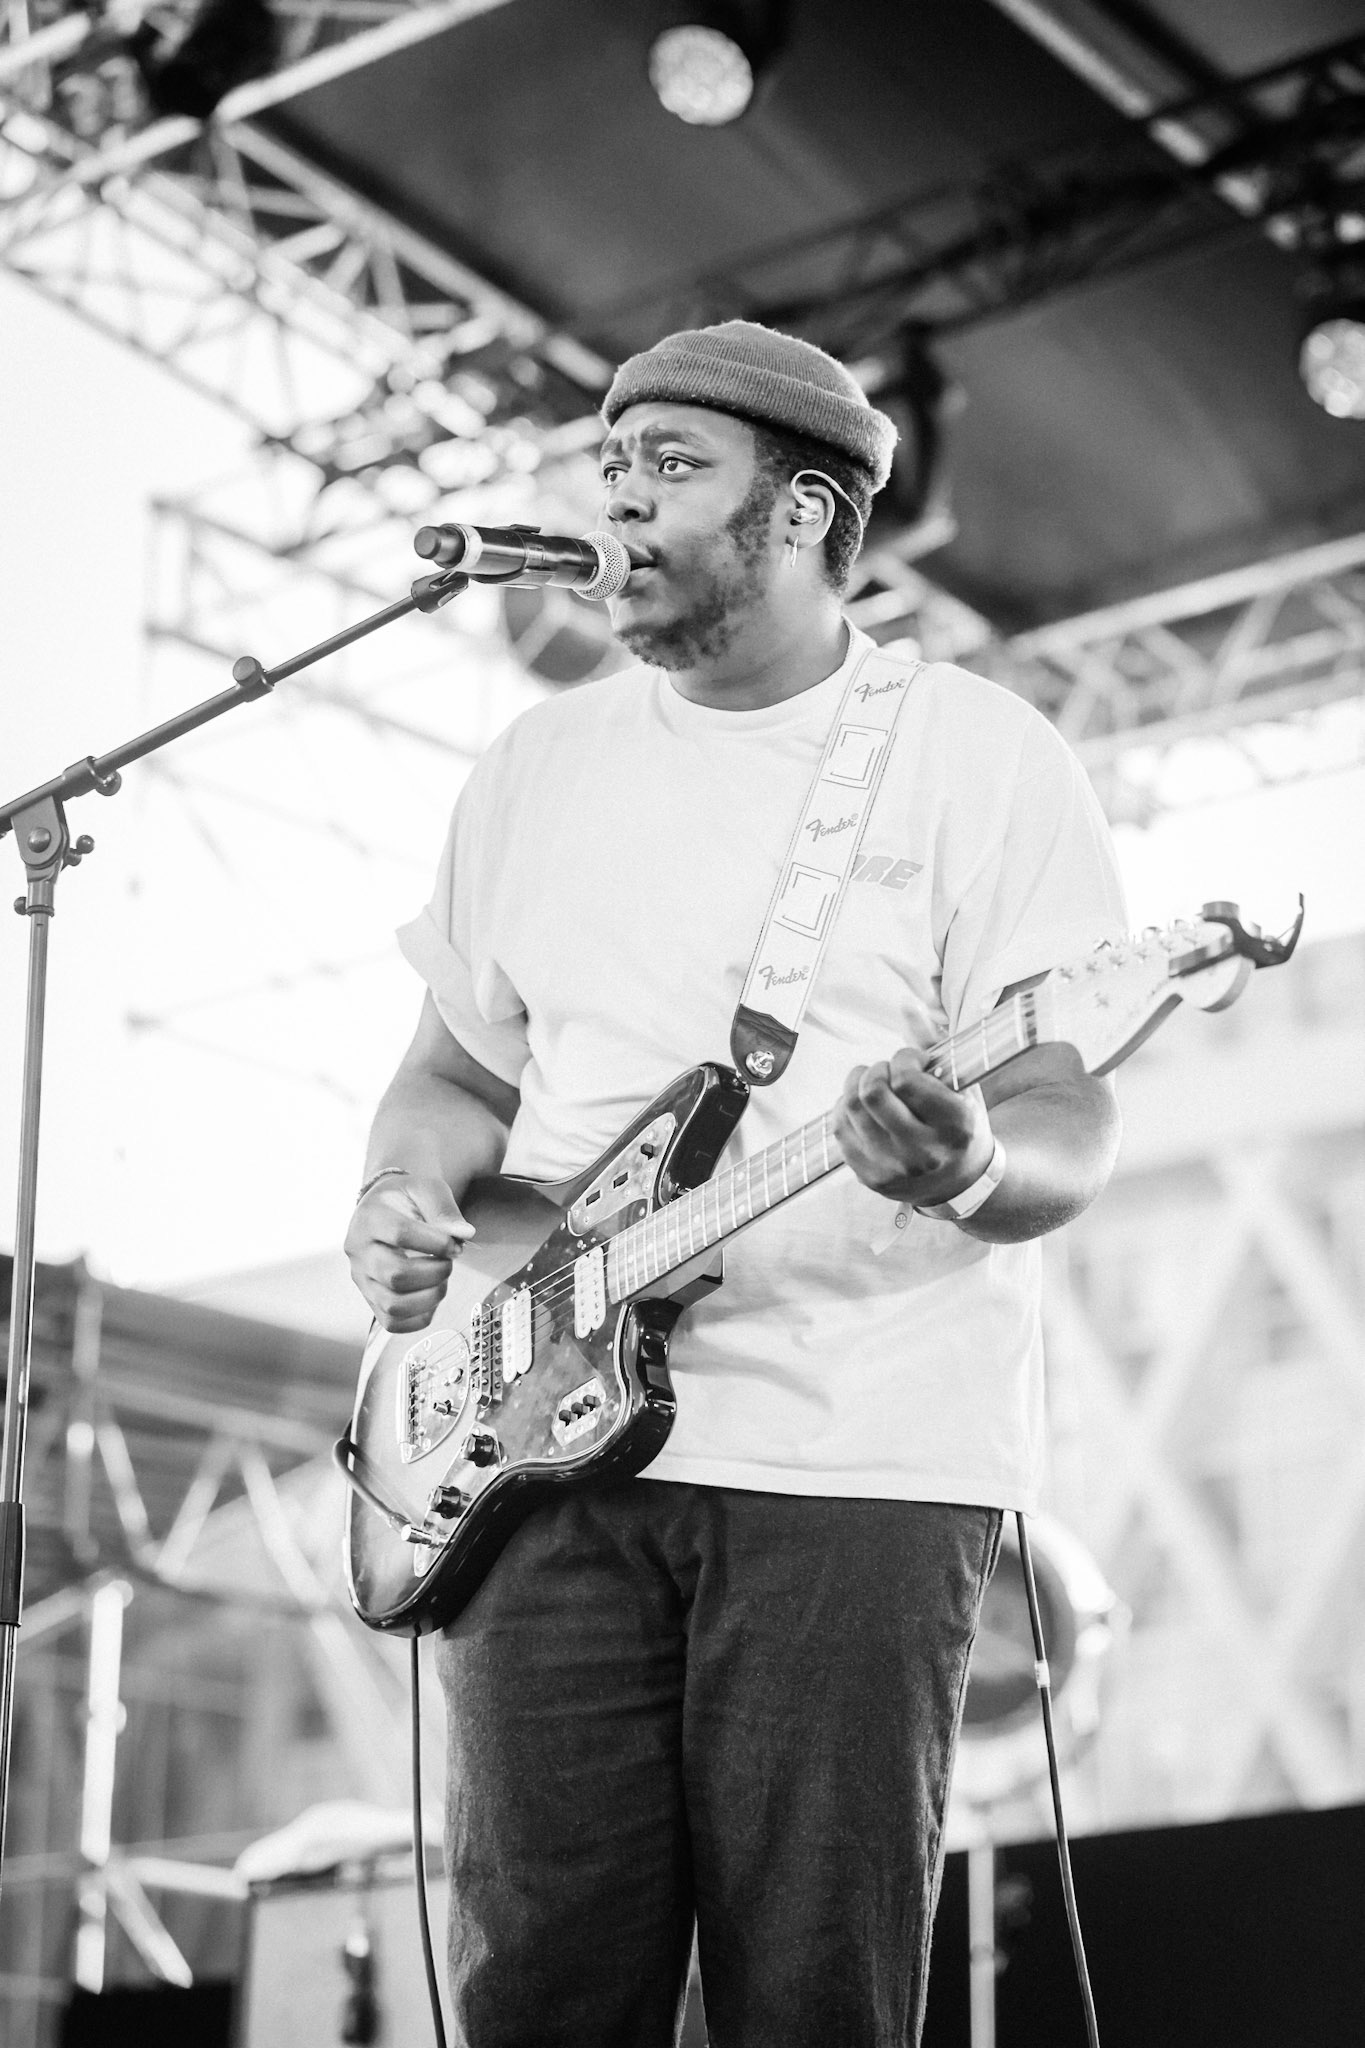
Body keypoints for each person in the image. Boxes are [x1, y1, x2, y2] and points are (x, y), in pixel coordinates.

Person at [344, 320, 1126, 2048]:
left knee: (812, 1997)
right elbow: (453, 1077)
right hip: (529, 1450)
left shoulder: (974, 755)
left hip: (853, 1458)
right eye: (609, 465)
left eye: (670, 466)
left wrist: (971, 1165)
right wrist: (399, 1191)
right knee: (540, 1989)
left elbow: (1064, 1112)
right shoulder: (536, 768)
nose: (618, 499)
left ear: (805, 511)